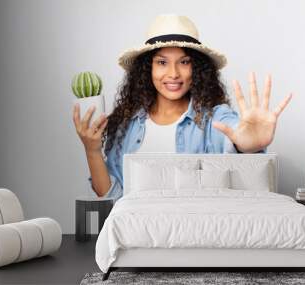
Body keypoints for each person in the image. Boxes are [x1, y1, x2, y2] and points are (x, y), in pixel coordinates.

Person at [73, 14, 292, 201]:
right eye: (162, 62)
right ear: (147, 69)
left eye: (184, 62)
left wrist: (247, 145)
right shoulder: (125, 124)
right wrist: (92, 151)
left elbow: (234, 132)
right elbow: (112, 196)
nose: (174, 73)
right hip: (138, 241)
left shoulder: (214, 118)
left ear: (196, 69)